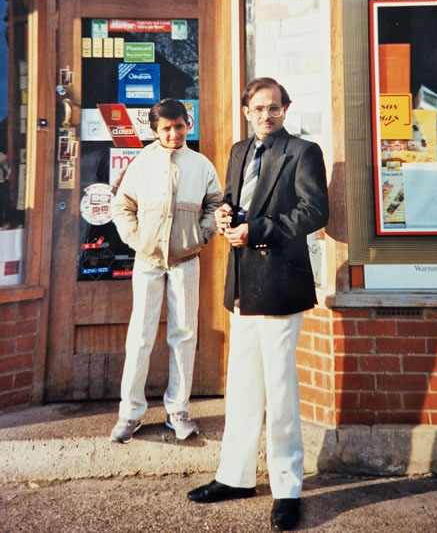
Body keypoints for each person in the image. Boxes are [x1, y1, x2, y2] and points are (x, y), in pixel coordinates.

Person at [188, 78, 329, 531]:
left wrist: (259, 229)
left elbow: (314, 212)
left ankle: (287, 487)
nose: (264, 116)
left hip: (281, 281)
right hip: (242, 282)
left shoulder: (303, 152)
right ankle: (235, 476)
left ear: (286, 110)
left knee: (281, 390)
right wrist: (226, 215)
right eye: (257, 108)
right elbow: (233, 197)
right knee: (244, 384)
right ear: (246, 110)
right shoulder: (237, 150)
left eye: (273, 108)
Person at [109, 99, 222, 444]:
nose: (174, 134)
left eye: (179, 126)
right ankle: (130, 414)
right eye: (166, 128)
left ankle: (179, 410)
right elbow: (122, 205)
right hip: (147, 261)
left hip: (186, 260)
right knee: (140, 335)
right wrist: (135, 238)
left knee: (184, 333)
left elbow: (216, 204)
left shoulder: (201, 165)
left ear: (188, 124)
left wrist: (201, 235)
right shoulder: (142, 164)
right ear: (155, 131)